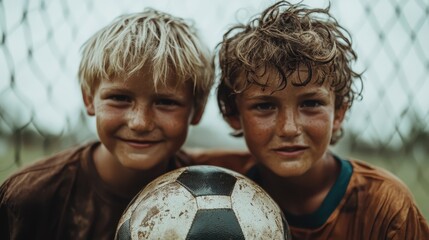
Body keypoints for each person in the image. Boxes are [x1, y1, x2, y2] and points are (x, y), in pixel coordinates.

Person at [207, 1, 429, 239]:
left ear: (339, 113)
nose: (289, 128)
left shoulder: (385, 205)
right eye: (265, 106)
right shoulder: (210, 182)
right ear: (232, 114)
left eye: (311, 104)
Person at [0, 8, 214, 240]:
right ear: (89, 100)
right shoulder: (30, 197)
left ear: (198, 110)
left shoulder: (211, 189)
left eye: (165, 102)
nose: (139, 123)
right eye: (119, 98)